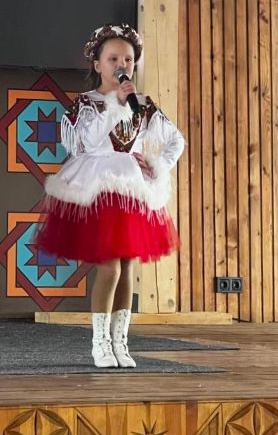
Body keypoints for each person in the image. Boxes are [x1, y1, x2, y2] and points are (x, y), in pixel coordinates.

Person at [36, 23, 185, 368]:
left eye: (128, 59)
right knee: (110, 264)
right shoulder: (87, 103)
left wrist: (157, 164)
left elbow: (176, 140)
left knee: (128, 264)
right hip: (99, 189)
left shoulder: (142, 104)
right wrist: (115, 105)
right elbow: (85, 143)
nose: (122, 65)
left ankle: (121, 343)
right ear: (98, 64)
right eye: (113, 58)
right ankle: (99, 343)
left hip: (130, 189)